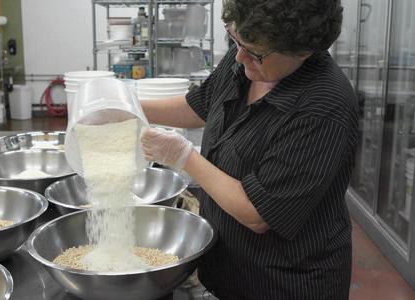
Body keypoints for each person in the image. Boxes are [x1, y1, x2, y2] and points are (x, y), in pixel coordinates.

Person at [140, 0, 358, 299]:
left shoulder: (323, 108)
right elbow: (202, 103)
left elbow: (257, 213)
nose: (240, 56)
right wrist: (131, 108)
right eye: (235, 39)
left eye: (254, 52)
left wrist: (183, 156)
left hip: (285, 283)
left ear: (303, 51)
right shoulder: (249, 53)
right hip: (229, 268)